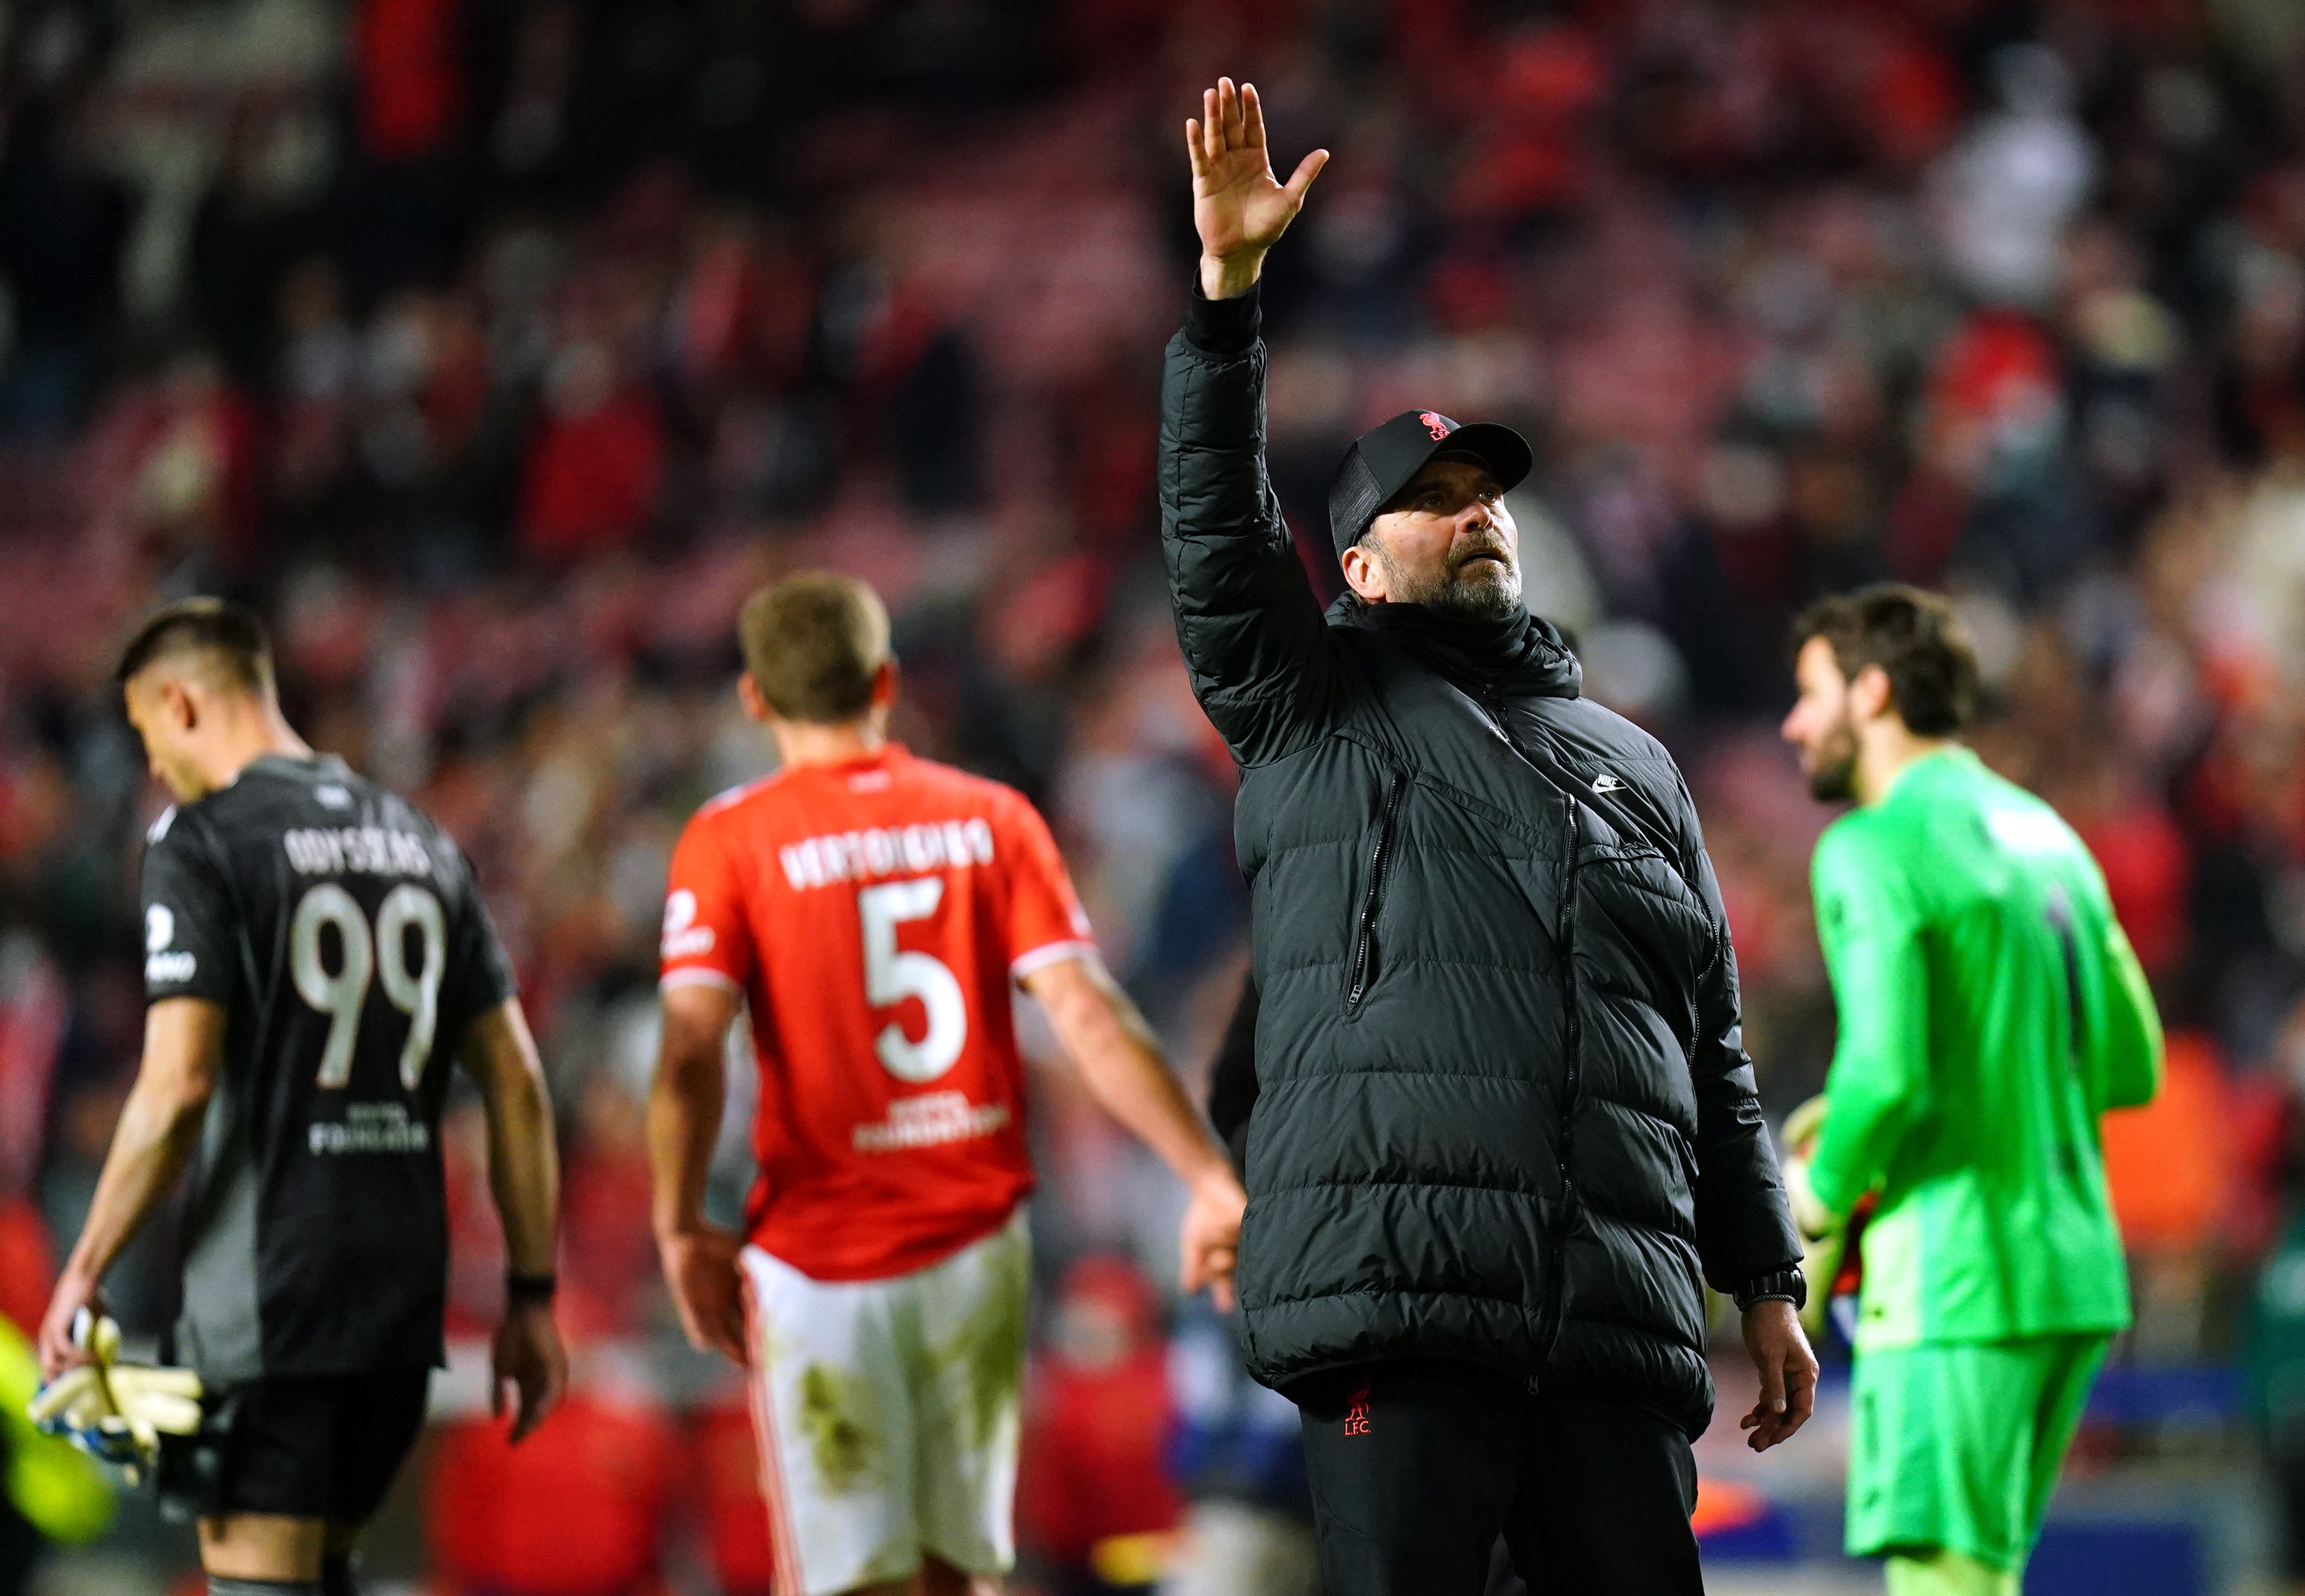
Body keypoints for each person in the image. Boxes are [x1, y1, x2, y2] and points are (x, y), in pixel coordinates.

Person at [1162, 77, 1816, 1595]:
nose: (1478, 515)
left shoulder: (1635, 762)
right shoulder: (1308, 699)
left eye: (1489, 496)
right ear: (1358, 567)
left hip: (1612, 1321)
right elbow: (1210, 527)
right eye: (1434, 499)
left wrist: (1767, 1280)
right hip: (1401, 1303)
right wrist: (1228, 304)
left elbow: (1709, 1046)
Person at [648, 572, 1248, 1596]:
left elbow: (691, 1049)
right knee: (958, 1574)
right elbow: (1086, 1015)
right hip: (973, 1253)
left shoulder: (731, 837)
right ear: (885, 682)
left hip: (825, 1256)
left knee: (848, 1579)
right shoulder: (990, 818)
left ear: (756, 700)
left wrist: (677, 1224)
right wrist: (1206, 1175)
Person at [35, 597, 568, 1596]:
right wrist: (531, 1298)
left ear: (185, 703)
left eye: (152, 736)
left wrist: (87, 1264)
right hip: (397, 1314)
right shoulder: (417, 838)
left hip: (269, 1305)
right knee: (328, 1575)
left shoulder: (203, 841)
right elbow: (519, 1084)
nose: (156, 767)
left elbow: (177, 1082)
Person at [1779, 584, 2163, 1596]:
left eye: (1810, 693)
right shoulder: (2050, 835)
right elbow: (2131, 1064)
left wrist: (1811, 1202)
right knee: (1984, 1578)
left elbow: (1886, 1074)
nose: (1793, 723)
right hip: (2075, 1275)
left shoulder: (1870, 845)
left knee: (1945, 1585)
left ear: (1870, 692)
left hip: (1953, 1281)